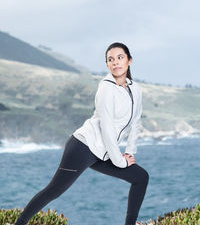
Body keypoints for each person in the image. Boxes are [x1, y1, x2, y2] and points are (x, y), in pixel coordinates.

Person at [14, 42, 149, 225]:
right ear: (108, 65)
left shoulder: (135, 89)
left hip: (104, 152)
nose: (116, 62)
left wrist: (130, 153)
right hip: (83, 146)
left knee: (141, 177)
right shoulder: (106, 88)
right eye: (111, 59)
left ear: (129, 60)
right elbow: (107, 128)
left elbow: (136, 121)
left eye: (120, 57)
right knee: (55, 190)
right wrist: (120, 161)